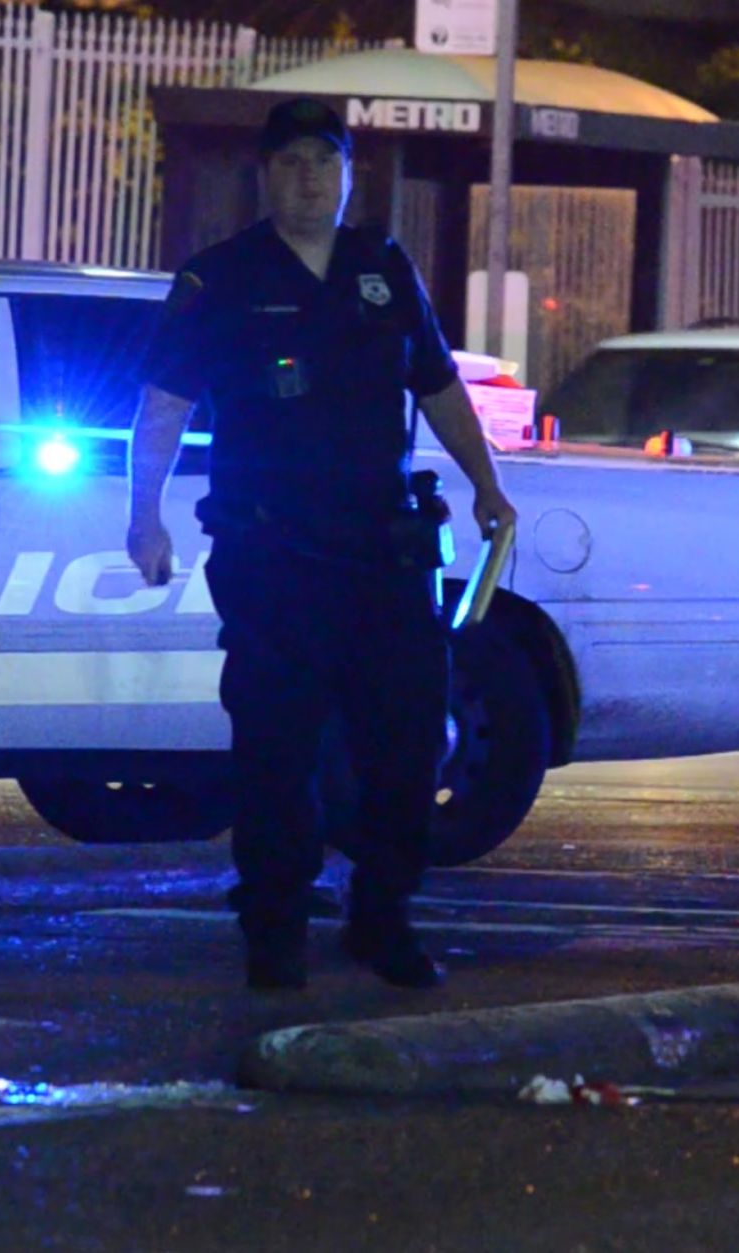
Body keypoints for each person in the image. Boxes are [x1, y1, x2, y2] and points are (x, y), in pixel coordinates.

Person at [127, 97, 518, 992]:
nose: (310, 178)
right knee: (276, 747)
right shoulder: (219, 278)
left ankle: (382, 916)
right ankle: (274, 926)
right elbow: (162, 406)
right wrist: (142, 514)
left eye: (326, 161)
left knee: (410, 742)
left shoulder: (382, 266)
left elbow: (438, 384)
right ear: (265, 178)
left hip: (383, 553)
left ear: (349, 174)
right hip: (273, 555)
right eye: (293, 162)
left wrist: (488, 485)